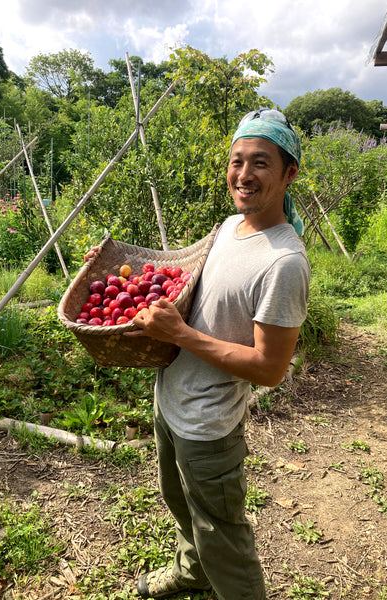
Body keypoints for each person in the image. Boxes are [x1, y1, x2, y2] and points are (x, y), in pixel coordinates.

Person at [126, 108, 311, 600]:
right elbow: (184, 282)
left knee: (222, 533)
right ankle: (192, 572)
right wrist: (124, 274)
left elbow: (270, 368)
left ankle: (224, 581)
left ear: (289, 173)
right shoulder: (231, 225)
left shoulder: (284, 263)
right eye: (237, 161)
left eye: (261, 163)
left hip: (209, 424)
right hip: (172, 400)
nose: (244, 175)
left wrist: (181, 335)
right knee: (181, 505)